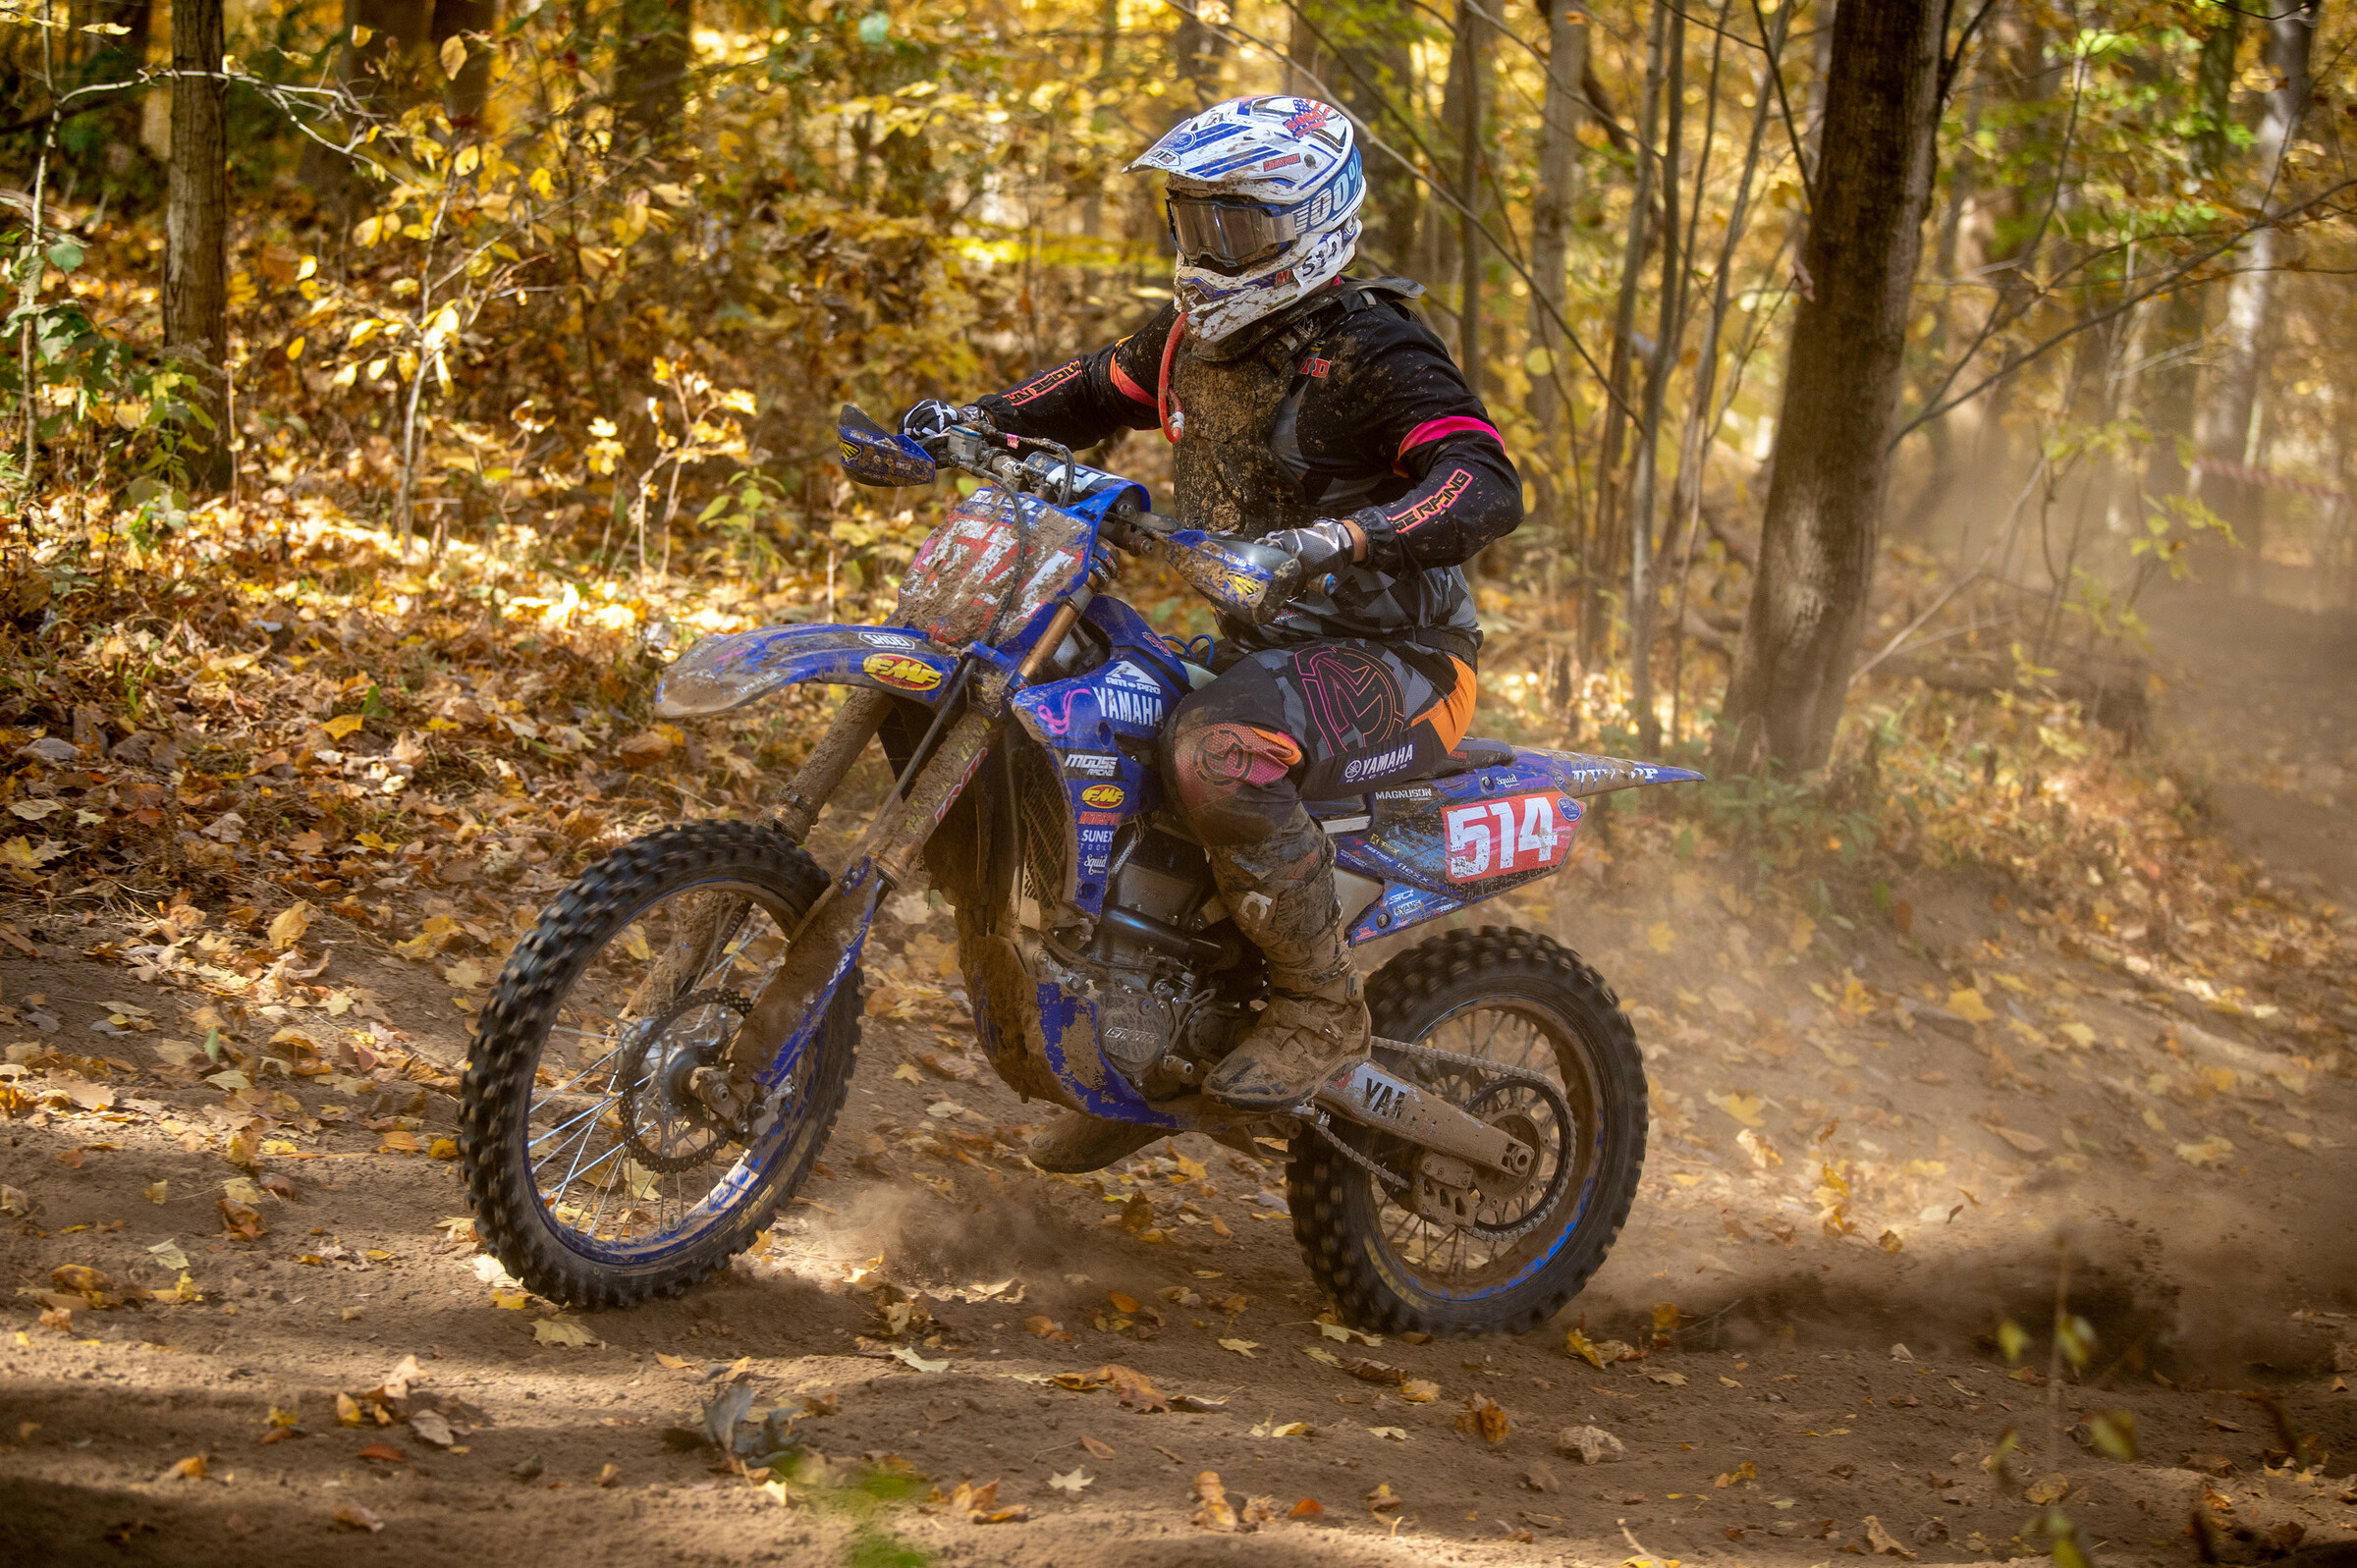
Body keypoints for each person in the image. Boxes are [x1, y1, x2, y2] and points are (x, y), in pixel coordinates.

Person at [904, 95, 1522, 1169]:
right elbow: (1085, 390)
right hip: (1267, 649)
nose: (1204, 251)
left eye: (1231, 228)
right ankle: (1145, 1028)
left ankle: (1320, 1007)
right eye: (1192, 223)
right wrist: (959, 422)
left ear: (1309, 226)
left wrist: (1339, 539)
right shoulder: (1189, 339)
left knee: (1215, 754)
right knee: (1099, 703)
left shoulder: (1376, 350)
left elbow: (1483, 481)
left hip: (1404, 660)